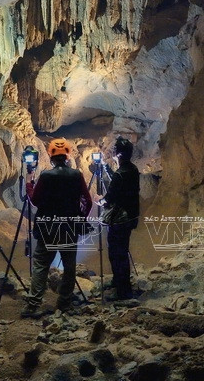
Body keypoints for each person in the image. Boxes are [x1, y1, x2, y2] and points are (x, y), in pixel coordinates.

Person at [21, 138, 93, 317]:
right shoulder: (77, 175)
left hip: (47, 228)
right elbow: (87, 201)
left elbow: (35, 200)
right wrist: (80, 218)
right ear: (67, 156)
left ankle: (33, 304)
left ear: (51, 157)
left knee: (41, 264)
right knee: (69, 266)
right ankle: (64, 303)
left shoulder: (46, 175)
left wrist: (29, 185)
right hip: (69, 227)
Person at [101, 136, 140, 301]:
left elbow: (109, 198)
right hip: (130, 217)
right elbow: (120, 181)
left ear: (118, 154)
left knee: (116, 254)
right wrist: (107, 169)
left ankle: (123, 291)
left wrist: (99, 200)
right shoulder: (132, 169)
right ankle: (120, 282)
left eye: (115, 151)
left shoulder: (120, 174)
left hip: (118, 219)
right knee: (122, 251)